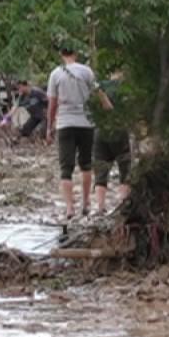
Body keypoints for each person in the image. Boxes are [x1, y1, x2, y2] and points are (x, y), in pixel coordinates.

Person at [47, 45, 110, 219]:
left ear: (61, 55)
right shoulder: (86, 71)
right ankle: (86, 203)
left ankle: (69, 208)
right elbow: (99, 92)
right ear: (75, 54)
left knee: (65, 168)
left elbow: (52, 104)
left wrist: (49, 127)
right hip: (86, 123)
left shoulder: (55, 74)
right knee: (86, 164)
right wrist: (108, 109)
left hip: (65, 124)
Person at [90, 68, 138, 215]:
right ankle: (123, 204)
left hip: (100, 132)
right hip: (119, 132)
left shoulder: (101, 86)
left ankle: (100, 207)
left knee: (101, 171)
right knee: (124, 169)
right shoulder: (127, 90)